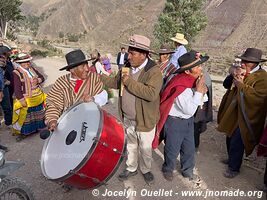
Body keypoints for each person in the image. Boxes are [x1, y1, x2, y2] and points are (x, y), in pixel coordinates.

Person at [101, 34, 163, 185]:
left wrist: (129, 82)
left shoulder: (154, 71)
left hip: (145, 119)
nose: (128, 56)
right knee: (131, 144)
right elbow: (116, 83)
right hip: (128, 118)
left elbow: (151, 94)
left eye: (132, 53)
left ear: (144, 55)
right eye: (128, 52)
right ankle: (131, 167)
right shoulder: (126, 68)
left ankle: (146, 169)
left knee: (145, 148)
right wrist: (99, 77)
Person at [153, 50, 209, 182]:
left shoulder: (195, 80)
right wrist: (199, 92)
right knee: (172, 149)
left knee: (189, 148)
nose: (201, 68)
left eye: (200, 65)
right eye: (197, 66)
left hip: (187, 121)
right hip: (175, 122)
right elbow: (188, 109)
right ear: (187, 71)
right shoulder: (180, 84)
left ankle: (187, 171)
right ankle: (168, 169)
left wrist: (200, 91)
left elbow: (202, 100)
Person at [217, 48, 267, 178]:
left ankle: (234, 168)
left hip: (246, 115)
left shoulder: (263, 78)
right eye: (243, 59)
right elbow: (226, 85)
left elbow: (259, 97)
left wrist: (242, 86)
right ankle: (231, 159)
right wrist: (233, 74)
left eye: (247, 61)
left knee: (238, 141)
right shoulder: (240, 70)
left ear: (254, 63)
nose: (243, 62)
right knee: (229, 136)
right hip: (233, 113)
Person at [45, 49, 108, 133]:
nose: (87, 69)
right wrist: (52, 120)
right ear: (72, 70)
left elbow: (104, 95)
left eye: (87, 65)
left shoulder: (93, 78)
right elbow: (54, 104)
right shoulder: (61, 83)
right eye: (83, 66)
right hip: (68, 127)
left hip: (90, 126)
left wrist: (93, 99)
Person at [12, 53, 46, 141]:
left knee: (38, 114)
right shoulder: (17, 73)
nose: (28, 63)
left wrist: (38, 80)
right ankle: (24, 133)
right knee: (26, 116)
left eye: (28, 61)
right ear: (20, 63)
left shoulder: (32, 69)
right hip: (27, 98)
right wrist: (21, 100)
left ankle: (37, 129)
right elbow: (17, 88)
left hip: (37, 97)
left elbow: (42, 77)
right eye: (25, 62)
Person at [194, 69, 213, 151]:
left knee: (196, 126)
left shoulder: (204, 75)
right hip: (192, 103)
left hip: (200, 106)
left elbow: (206, 90)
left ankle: (194, 146)